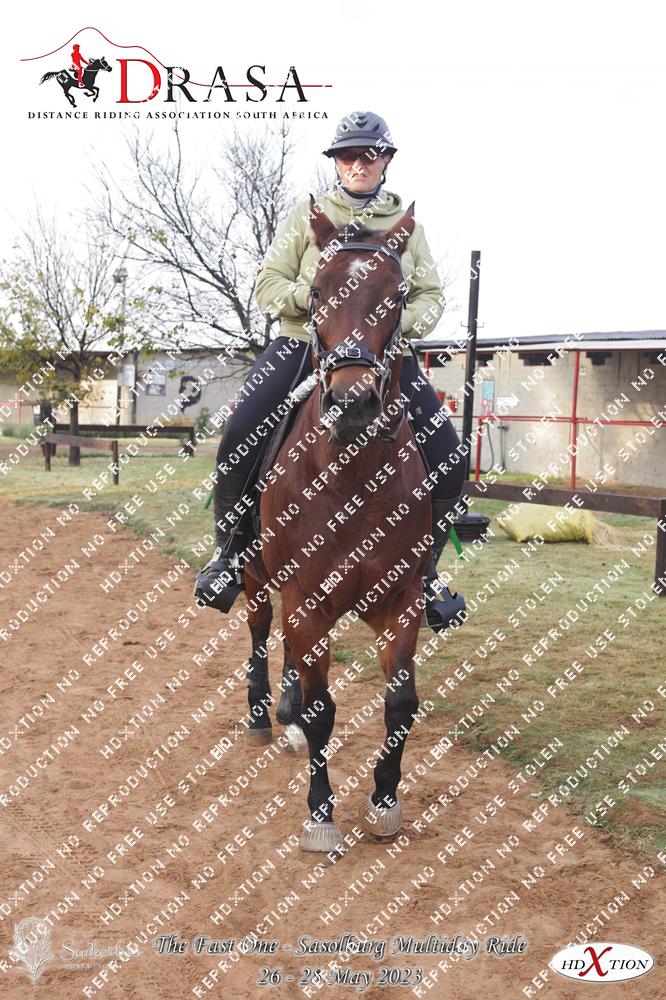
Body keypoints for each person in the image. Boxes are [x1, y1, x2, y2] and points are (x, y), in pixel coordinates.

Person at [194, 111, 466, 632]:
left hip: (383, 353)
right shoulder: (306, 216)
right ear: (336, 163)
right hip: (305, 344)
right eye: (347, 156)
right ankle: (227, 554)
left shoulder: (409, 227)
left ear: (385, 161)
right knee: (240, 433)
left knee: (449, 453)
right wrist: (318, 303)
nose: (358, 164)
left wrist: (387, 323)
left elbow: (430, 295)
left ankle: (427, 571)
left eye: (369, 155)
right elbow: (267, 283)